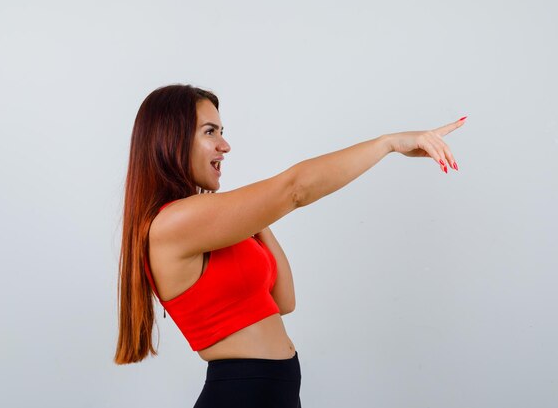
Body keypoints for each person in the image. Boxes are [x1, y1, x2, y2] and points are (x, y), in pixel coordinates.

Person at [114, 84, 467, 407]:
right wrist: (387, 143)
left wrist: (253, 215)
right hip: (241, 393)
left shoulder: (209, 224)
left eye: (222, 132)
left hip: (275, 389)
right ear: (169, 139)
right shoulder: (173, 223)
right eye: (210, 132)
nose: (225, 145)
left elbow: (284, 301)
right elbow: (295, 189)